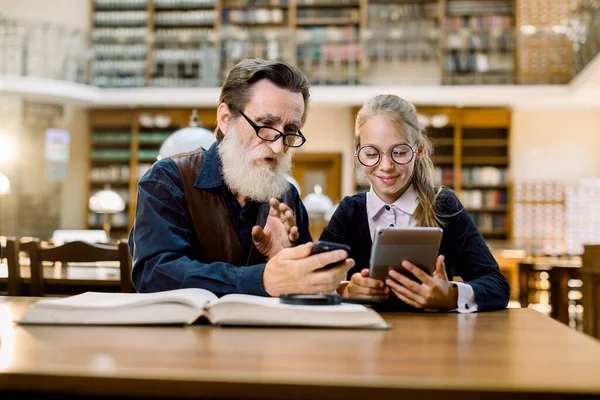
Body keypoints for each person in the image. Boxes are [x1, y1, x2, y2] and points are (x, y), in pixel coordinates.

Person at [129, 59, 354, 297]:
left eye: (290, 131)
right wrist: (263, 279)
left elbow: (304, 289)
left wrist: (284, 259)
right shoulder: (167, 180)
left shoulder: (288, 196)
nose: (278, 148)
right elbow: (153, 274)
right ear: (226, 119)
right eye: (265, 125)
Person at [320, 94, 510, 312]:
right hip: (366, 341)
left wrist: (451, 295)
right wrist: (346, 290)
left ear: (418, 150)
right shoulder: (349, 212)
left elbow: (497, 285)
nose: (386, 166)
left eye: (399, 152)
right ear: (358, 154)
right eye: (371, 153)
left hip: (431, 341)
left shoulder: (444, 206)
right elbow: (313, 284)